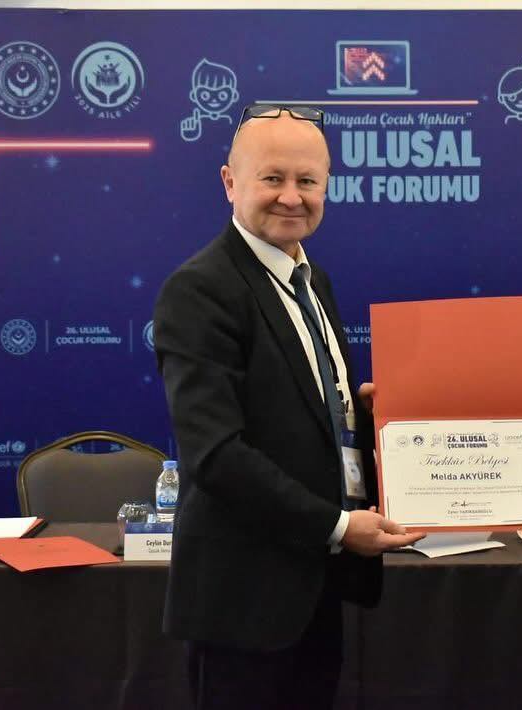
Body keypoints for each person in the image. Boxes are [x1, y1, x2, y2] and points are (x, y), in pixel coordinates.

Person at [153, 104, 424, 709]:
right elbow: (216, 455)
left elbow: (306, 415)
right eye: (272, 178)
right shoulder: (200, 290)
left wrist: (363, 415)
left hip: (314, 587)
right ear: (230, 182)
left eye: (308, 180)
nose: (292, 197)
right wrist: (338, 527)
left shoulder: (312, 279)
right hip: (244, 603)